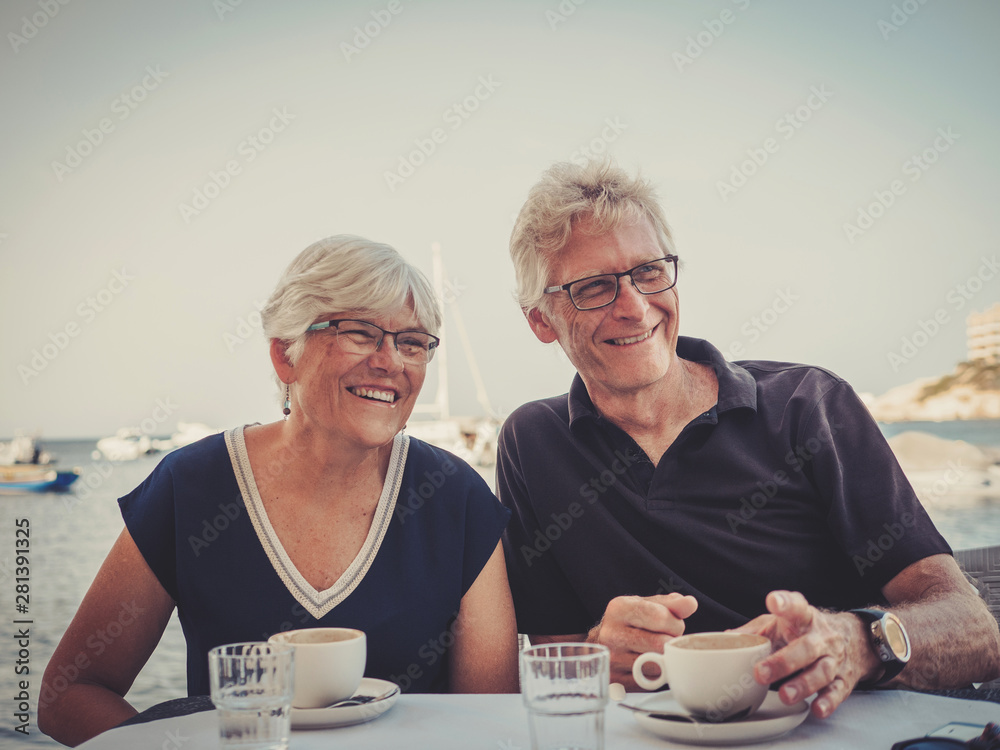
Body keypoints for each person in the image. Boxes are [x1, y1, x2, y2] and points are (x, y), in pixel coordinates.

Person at [498, 160, 1000, 720]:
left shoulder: (808, 405)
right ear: (541, 321)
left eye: (649, 272)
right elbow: (538, 649)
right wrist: (595, 648)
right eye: (594, 287)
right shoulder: (531, 442)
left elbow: (974, 629)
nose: (635, 306)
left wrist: (855, 643)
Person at [39, 235, 518, 746]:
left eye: (413, 342)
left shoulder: (455, 498)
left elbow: (489, 721)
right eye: (360, 333)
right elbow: (68, 694)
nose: (391, 361)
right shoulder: (192, 487)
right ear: (285, 356)